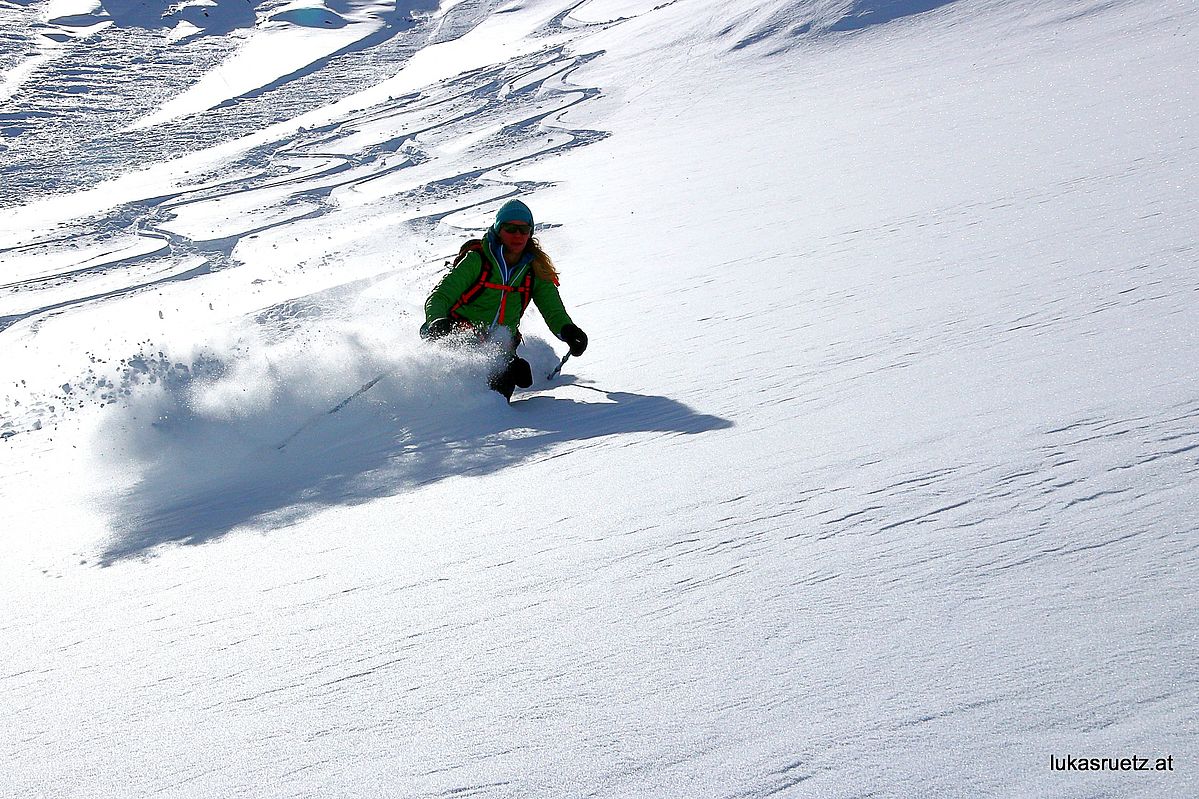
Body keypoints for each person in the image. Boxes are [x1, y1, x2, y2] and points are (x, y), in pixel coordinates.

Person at [420, 199, 588, 399]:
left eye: (523, 229)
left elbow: (553, 311)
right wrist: (437, 321)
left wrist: (568, 331)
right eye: (510, 228)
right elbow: (440, 296)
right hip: (457, 336)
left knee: (514, 379)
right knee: (487, 386)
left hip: (498, 347)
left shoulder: (534, 271)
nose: (517, 235)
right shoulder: (477, 261)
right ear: (499, 230)